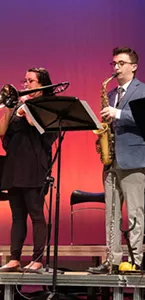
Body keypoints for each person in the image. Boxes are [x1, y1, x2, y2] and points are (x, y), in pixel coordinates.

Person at [88, 46, 145, 274]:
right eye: (114, 63)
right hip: (111, 160)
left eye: (121, 63)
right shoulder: (111, 94)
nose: (116, 67)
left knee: (135, 212)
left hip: (134, 158)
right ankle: (112, 259)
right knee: (112, 213)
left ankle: (135, 260)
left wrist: (117, 114)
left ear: (134, 67)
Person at [0, 67, 57, 273]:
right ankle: (15, 258)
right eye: (25, 80)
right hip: (14, 166)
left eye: (31, 81)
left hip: (34, 166)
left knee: (36, 215)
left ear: (42, 86)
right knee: (17, 216)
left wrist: (28, 110)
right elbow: (2, 132)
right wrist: (8, 109)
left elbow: (44, 132)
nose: (26, 85)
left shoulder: (47, 106)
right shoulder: (17, 106)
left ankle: (38, 258)